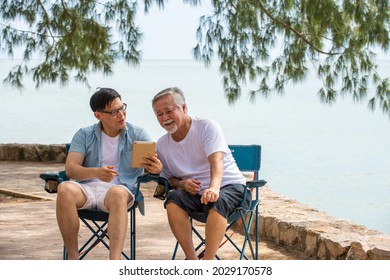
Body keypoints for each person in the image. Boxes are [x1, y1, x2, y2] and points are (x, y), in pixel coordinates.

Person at [144, 86, 252, 260]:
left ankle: (208, 262)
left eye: (169, 111)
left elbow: (216, 161)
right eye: (159, 114)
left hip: (229, 187)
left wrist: (214, 188)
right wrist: (178, 182)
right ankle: (192, 260)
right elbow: (167, 182)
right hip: (196, 196)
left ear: (184, 108)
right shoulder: (162, 144)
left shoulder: (207, 127)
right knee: (173, 200)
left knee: (216, 201)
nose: (165, 118)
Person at [56, 87, 161, 260]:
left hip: (120, 190)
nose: (121, 114)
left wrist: (157, 169)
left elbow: (154, 167)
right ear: (98, 115)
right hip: (87, 190)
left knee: (118, 192)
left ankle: (115, 262)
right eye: (114, 112)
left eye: (122, 108)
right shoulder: (84, 135)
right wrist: (95, 172)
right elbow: (71, 169)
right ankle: (73, 260)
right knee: (65, 188)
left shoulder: (138, 134)